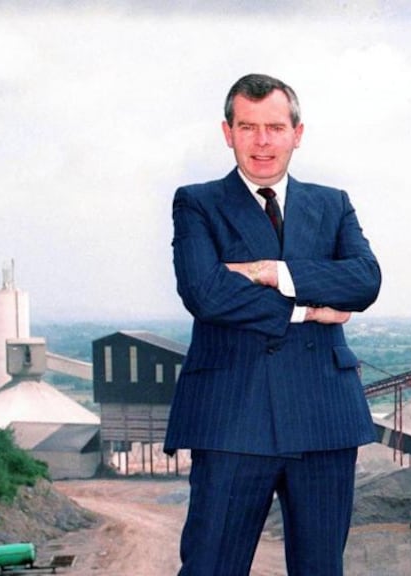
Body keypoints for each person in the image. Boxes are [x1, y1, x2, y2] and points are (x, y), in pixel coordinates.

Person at [163, 73, 381, 576]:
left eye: (275, 127)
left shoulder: (332, 203)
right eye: (248, 127)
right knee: (210, 568)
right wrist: (306, 308)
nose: (262, 141)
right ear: (228, 132)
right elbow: (204, 292)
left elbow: (364, 281)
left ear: (296, 133)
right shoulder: (197, 203)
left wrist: (269, 273)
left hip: (324, 419)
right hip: (231, 418)